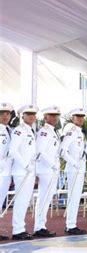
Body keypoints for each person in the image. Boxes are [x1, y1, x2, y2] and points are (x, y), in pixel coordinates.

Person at [10, 105, 39, 240]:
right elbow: (13, 150)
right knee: (21, 201)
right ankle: (17, 230)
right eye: (28, 114)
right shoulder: (19, 130)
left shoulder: (30, 130)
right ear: (23, 116)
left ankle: (20, 228)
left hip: (29, 171)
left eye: (33, 114)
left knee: (25, 201)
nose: (32, 116)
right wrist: (26, 165)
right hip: (22, 171)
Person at [33, 106, 62, 238]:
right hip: (46, 169)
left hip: (51, 169)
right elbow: (40, 150)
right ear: (45, 117)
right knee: (43, 199)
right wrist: (52, 164)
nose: (55, 118)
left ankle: (41, 225)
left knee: (46, 199)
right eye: (51, 115)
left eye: (56, 115)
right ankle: (39, 227)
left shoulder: (53, 131)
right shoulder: (45, 131)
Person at [61, 107, 87, 235]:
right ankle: (70, 225)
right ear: (73, 118)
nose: (80, 119)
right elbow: (62, 150)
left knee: (76, 197)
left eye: (82, 117)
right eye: (78, 117)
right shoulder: (71, 130)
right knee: (73, 196)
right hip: (73, 169)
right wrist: (74, 163)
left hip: (79, 169)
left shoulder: (79, 132)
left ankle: (72, 224)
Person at [0, 102, 13, 240]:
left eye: (7, 113)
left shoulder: (9, 130)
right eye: (2, 113)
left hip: (6, 172)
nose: (5, 116)